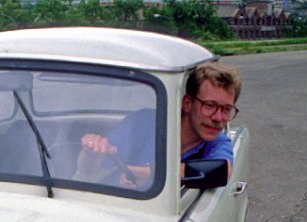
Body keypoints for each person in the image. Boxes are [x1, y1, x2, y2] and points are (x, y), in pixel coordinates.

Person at [76, 61, 242, 189]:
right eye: (210, 106)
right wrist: (91, 152)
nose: (218, 118)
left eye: (226, 109)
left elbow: (222, 171)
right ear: (187, 103)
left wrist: (151, 174)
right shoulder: (143, 122)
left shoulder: (217, 142)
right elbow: (89, 170)